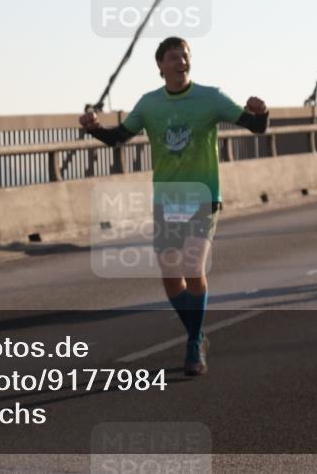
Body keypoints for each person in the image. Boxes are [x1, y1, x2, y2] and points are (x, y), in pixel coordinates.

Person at [79, 36, 268, 375]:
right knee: (171, 278)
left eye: (185, 55)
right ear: (160, 66)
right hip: (167, 200)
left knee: (194, 268)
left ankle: (194, 342)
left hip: (202, 196)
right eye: (173, 57)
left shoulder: (211, 97)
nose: (181, 61)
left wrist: (262, 112)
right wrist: (94, 129)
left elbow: (256, 127)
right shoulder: (150, 104)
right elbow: (119, 137)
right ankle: (197, 333)